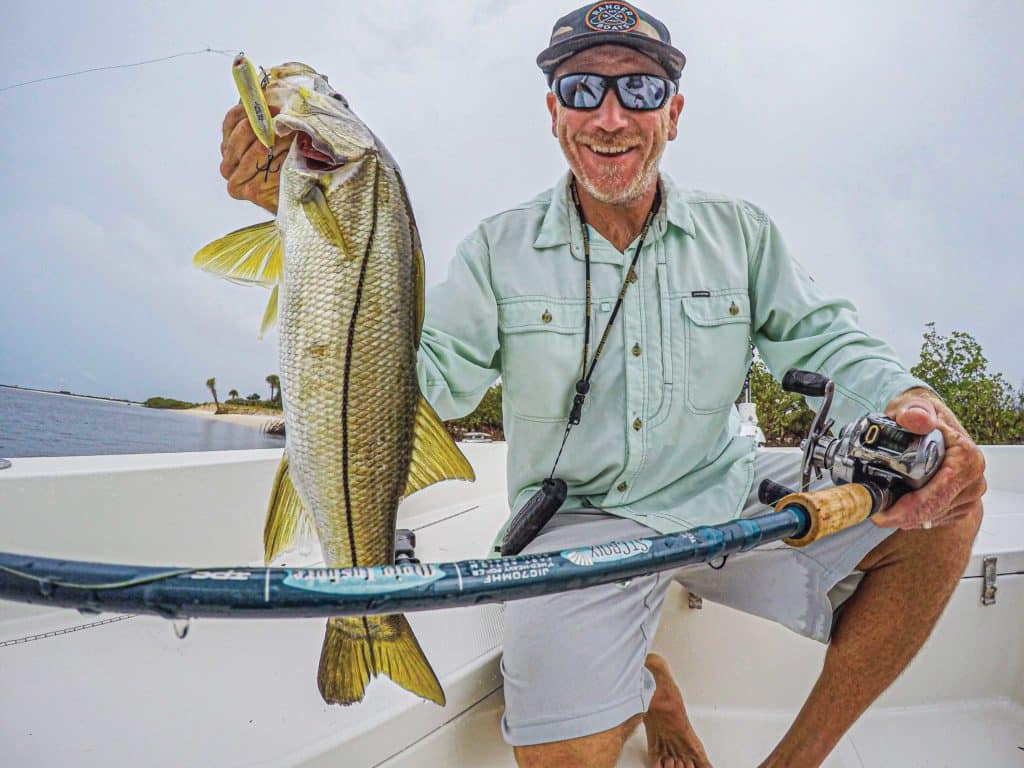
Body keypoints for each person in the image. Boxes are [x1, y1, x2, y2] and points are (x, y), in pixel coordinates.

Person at [219, 4, 987, 766]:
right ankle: (648, 689)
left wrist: (913, 404)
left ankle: (793, 761)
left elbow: (831, 337)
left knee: (948, 506)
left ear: (674, 113)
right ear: (554, 113)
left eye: (640, 91)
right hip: (578, 525)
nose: (610, 117)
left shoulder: (741, 233)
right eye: (584, 90)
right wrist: (323, 241)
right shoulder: (496, 248)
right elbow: (427, 384)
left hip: (722, 492)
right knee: (561, 760)